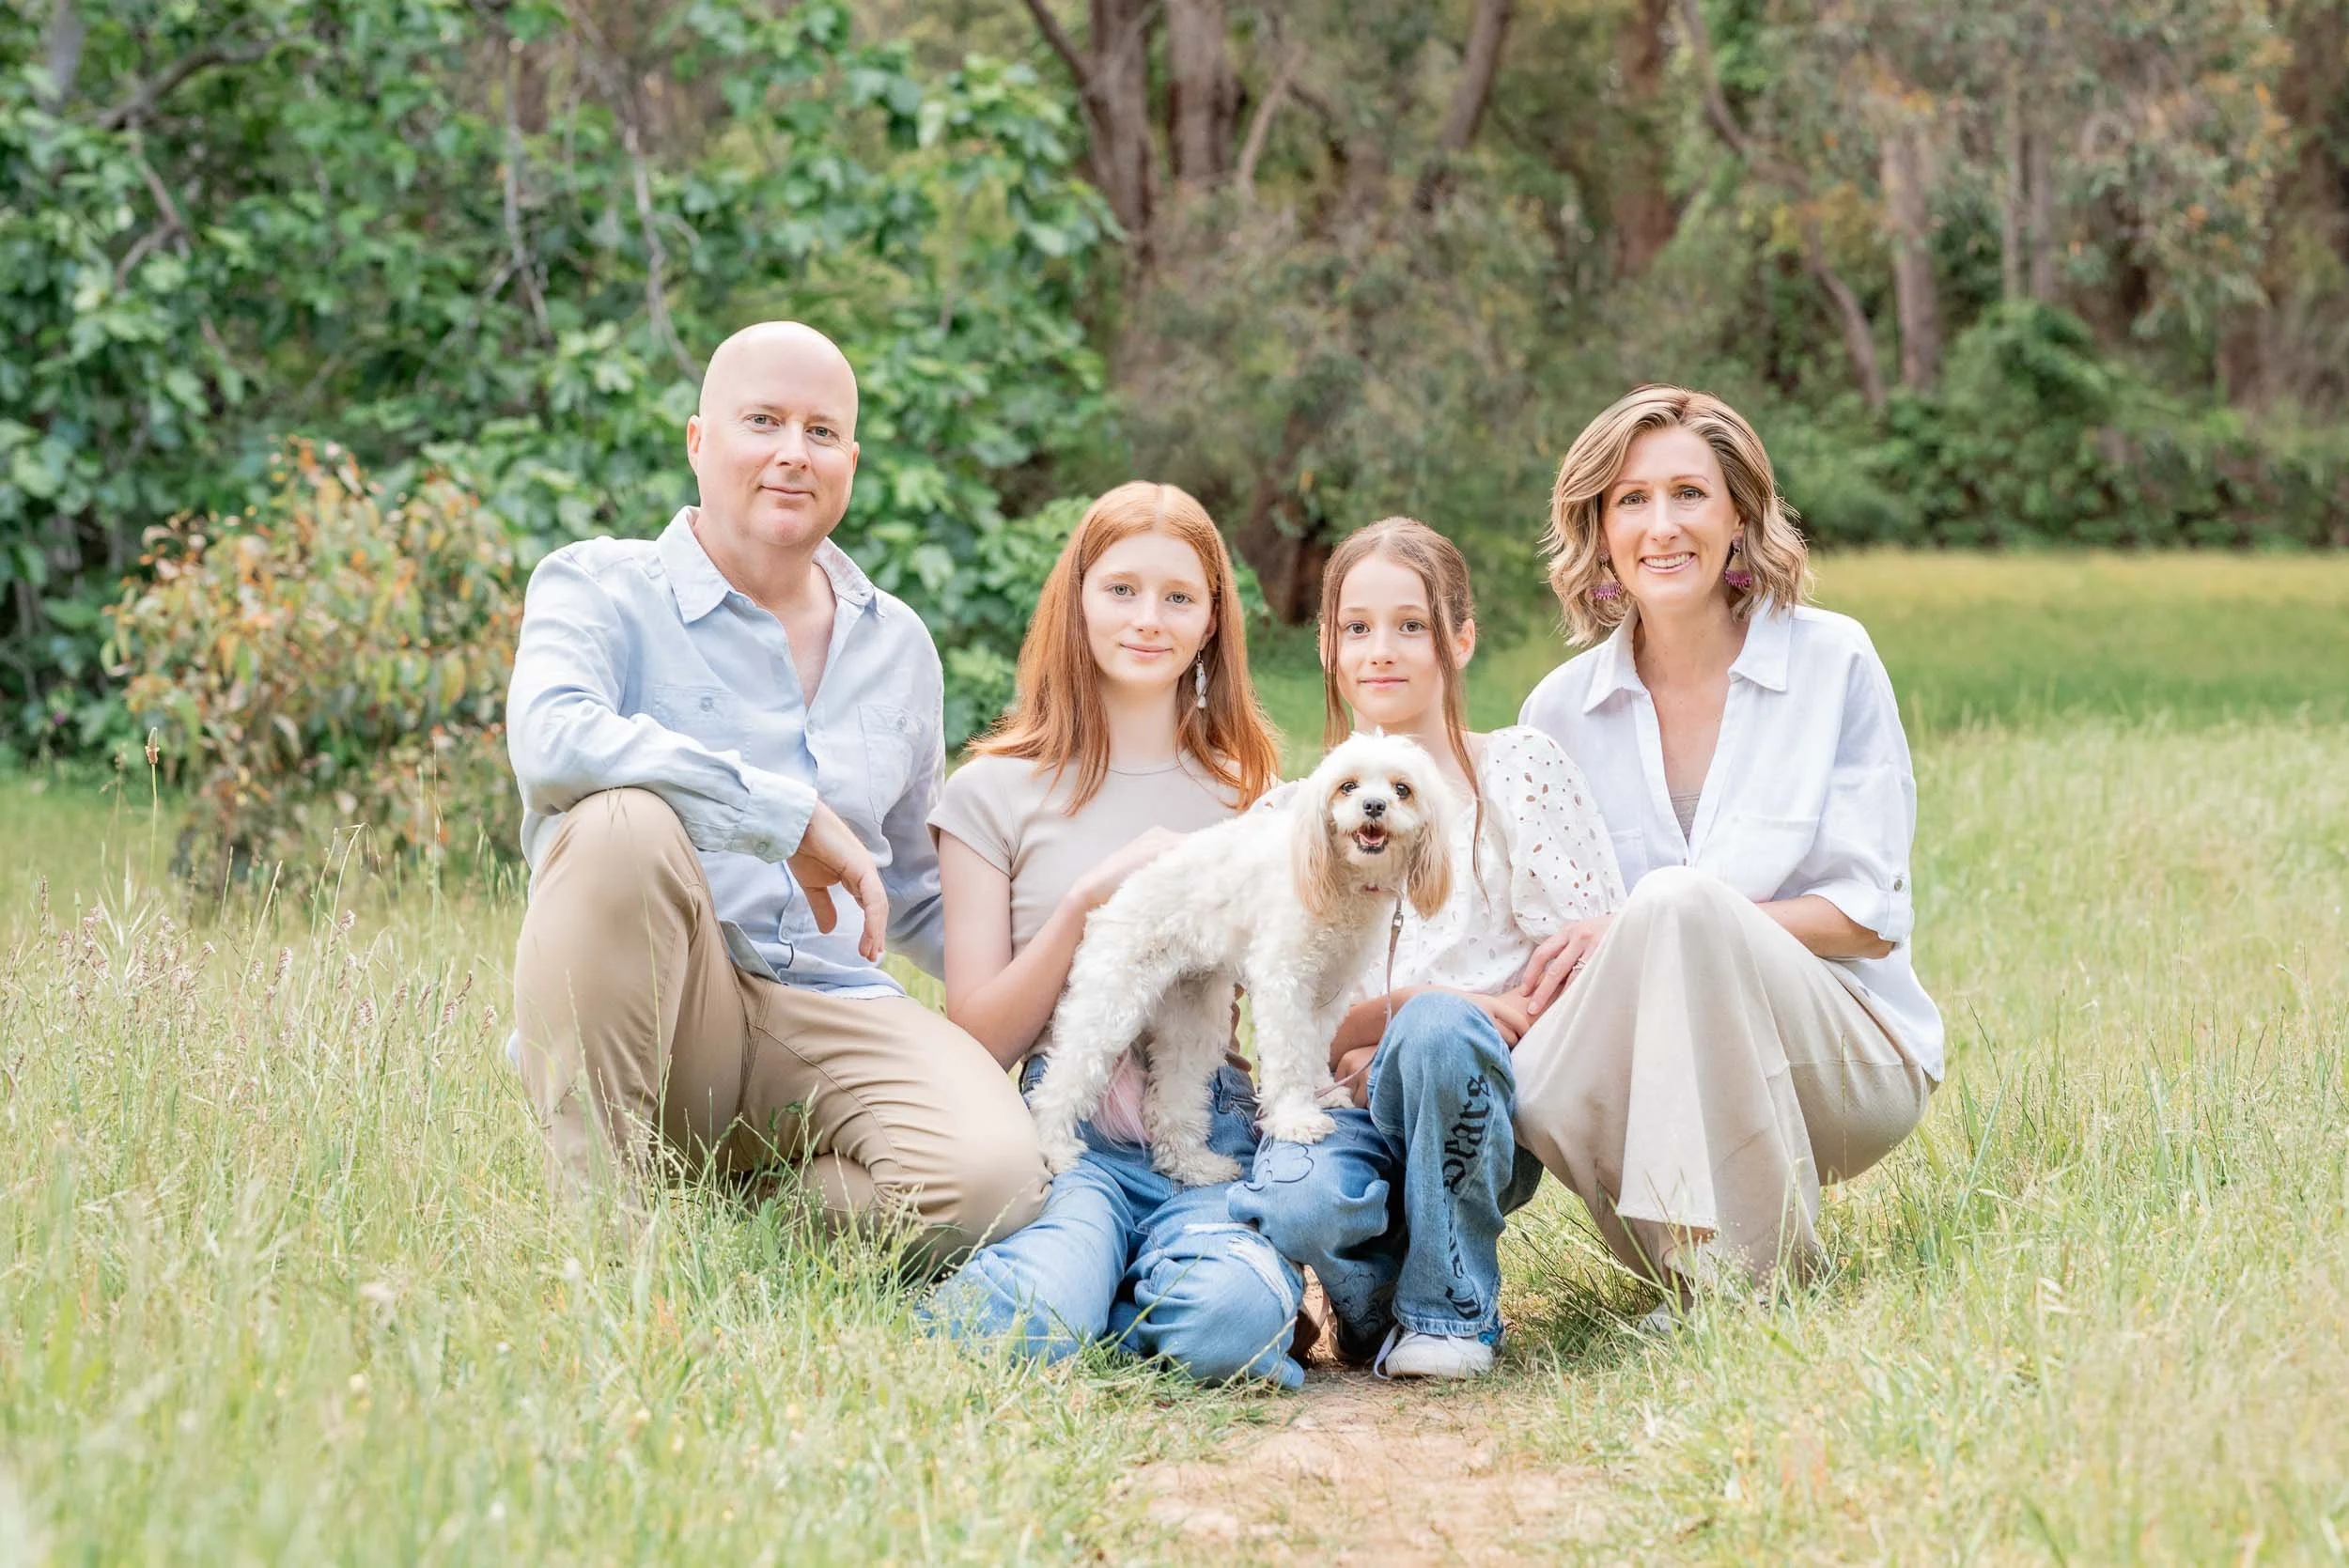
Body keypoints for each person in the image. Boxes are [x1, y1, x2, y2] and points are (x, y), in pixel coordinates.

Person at [505, 320, 1047, 1267]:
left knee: (996, 1183)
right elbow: (551, 743)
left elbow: (915, 888)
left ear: (850, 459)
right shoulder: (599, 586)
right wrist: (772, 816)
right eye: (762, 420)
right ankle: (599, 1244)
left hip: (831, 1005)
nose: (793, 453)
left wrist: (1085, 961)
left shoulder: (897, 644)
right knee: (620, 822)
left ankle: (736, 1234)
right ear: (697, 440)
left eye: (821, 431)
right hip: (667, 1006)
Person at [1512, 384, 1943, 1312]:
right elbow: (1543, 950)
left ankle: (1752, 1289)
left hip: (1840, 1054)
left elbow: (1867, 919)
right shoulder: (1555, 714)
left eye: (1688, 494)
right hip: (1639, 1065)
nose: (1660, 526)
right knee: (1527, 1074)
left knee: (1673, 905)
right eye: (1630, 500)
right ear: (1598, 527)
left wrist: (1662, 923)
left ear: (1740, 514)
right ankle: (1688, 1275)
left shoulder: (1832, 660)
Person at [920, 482, 1308, 1387]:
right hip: (1061, 1136)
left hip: (1205, 1130)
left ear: (1213, 621)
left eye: (1180, 597)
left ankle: (1151, 1294)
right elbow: (979, 1039)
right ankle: (1084, 1293)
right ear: (1078, 600)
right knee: (1013, 1324)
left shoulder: (1248, 793)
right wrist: (1084, 901)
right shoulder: (993, 792)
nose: (1149, 618)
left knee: (1233, 1321)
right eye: (1122, 589)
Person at [1228, 518, 1623, 1379]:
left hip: (1478, 1107)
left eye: (1411, 624)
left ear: (1460, 637)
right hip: (1344, 1105)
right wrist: (1385, 1022)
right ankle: (1374, 1311)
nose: (1383, 649)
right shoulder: (1292, 818)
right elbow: (1286, 1019)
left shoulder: (1516, 773)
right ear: (1328, 646)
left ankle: (1452, 1314)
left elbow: (1586, 971)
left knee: (1442, 1032)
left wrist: (1426, 1025)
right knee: (1298, 1203)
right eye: (1357, 627)